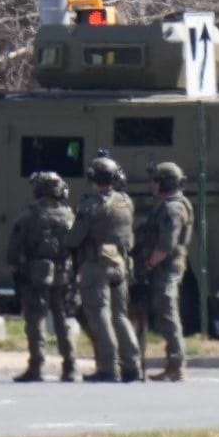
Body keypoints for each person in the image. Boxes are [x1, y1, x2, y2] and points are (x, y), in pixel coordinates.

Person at [63, 155, 142, 383]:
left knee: (100, 315)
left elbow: (74, 238)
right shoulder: (125, 201)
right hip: (120, 264)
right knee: (120, 315)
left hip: (96, 265)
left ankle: (108, 367)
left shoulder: (91, 205)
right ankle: (131, 364)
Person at [7, 171, 77, 383]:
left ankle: (36, 366)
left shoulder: (29, 216)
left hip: (35, 274)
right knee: (62, 320)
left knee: (35, 321)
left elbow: (13, 250)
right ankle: (70, 366)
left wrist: (17, 271)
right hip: (63, 273)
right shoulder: (69, 216)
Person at [139, 162, 193, 381]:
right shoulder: (166, 205)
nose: (151, 185)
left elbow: (166, 245)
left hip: (166, 267)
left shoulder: (173, 208)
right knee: (164, 312)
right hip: (163, 266)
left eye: (156, 180)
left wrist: (150, 263)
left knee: (168, 313)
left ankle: (176, 364)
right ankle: (173, 363)